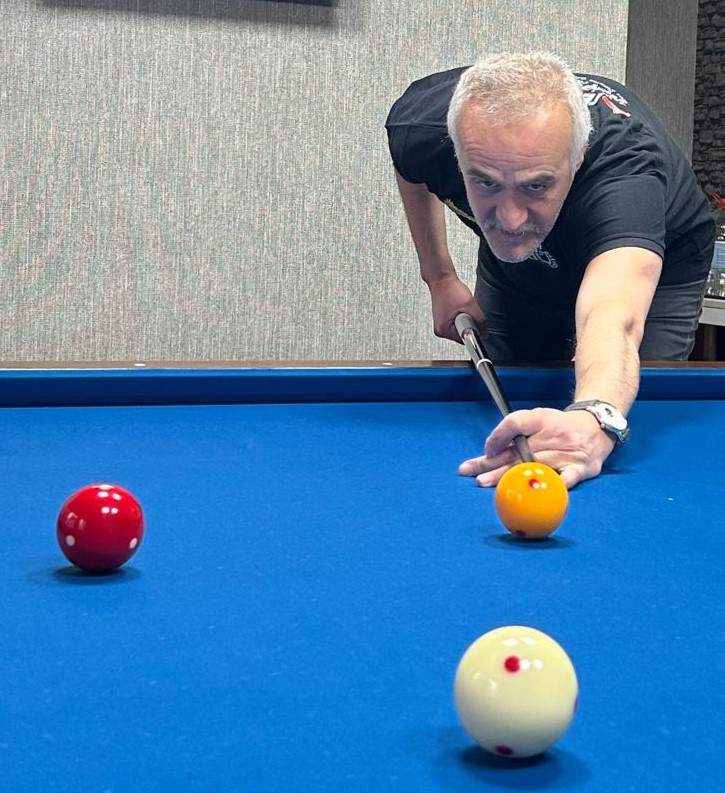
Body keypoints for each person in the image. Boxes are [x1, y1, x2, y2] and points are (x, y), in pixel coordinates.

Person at [385, 52, 715, 489]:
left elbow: (612, 314)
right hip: (519, 271)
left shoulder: (625, 177)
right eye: (485, 181)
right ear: (454, 148)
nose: (510, 218)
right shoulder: (420, 129)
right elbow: (411, 169)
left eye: (536, 185)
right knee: (511, 390)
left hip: (659, 266)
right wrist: (440, 277)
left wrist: (596, 414)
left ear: (578, 158)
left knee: (624, 417)